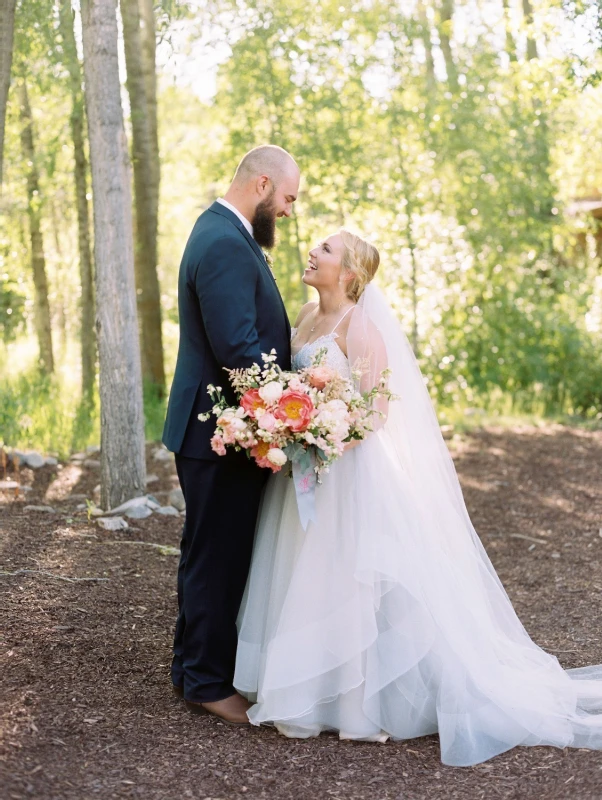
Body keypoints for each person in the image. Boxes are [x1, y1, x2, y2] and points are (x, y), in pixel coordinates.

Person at [234, 229, 602, 765]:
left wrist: (321, 433)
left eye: (327, 251)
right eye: (318, 247)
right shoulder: (306, 318)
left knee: (353, 579)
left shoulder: (361, 327)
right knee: (307, 573)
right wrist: (291, 432)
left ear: (351, 273)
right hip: (306, 475)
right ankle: (314, 692)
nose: (313, 253)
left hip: (350, 475)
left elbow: (377, 412)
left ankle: (361, 705)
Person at [162, 145, 300, 724]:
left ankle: (190, 668)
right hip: (221, 430)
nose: (290, 212)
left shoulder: (227, 232)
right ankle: (209, 683)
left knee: (206, 552)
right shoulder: (222, 241)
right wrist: (292, 411)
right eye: (289, 198)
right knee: (218, 557)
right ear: (262, 184)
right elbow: (238, 349)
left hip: (221, 427)